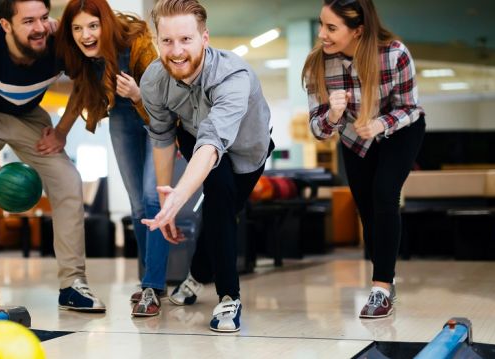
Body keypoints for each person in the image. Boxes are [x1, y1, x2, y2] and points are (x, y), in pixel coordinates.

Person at [0, 0, 106, 312]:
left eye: (44, 17)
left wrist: (61, 130)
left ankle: (73, 284)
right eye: (29, 21)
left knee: (67, 179)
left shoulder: (60, 40)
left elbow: (85, 83)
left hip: (28, 115)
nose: (40, 28)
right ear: (6, 25)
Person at [139, 0, 273, 332]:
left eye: (186, 39)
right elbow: (161, 135)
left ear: (205, 38)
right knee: (218, 193)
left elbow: (214, 144)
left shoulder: (233, 75)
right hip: (194, 135)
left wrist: (178, 199)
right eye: (167, 41)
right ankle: (229, 297)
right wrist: (165, 194)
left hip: (245, 151)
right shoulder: (154, 80)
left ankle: (198, 274)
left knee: (220, 210)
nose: (176, 50)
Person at [38, 0, 168, 317]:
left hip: (156, 118)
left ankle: (153, 286)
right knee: (137, 204)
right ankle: (147, 280)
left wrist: (138, 94)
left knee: (154, 198)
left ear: (105, 24)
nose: (85, 35)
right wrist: (62, 132)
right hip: (121, 119)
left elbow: (163, 97)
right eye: (78, 28)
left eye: (92, 26)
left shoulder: (136, 41)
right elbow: (81, 90)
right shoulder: (82, 55)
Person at [302, 0, 425, 318]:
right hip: (355, 137)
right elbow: (317, 129)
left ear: (358, 31)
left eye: (331, 28)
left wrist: (380, 124)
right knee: (367, 210)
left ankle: (381, 289)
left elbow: (410, 108)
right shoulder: (318, 65)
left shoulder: (394, 54)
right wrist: (333, 112)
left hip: (400, 129)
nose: (321, 35)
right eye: (321, 24)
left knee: (385, 193)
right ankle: (387, 277)